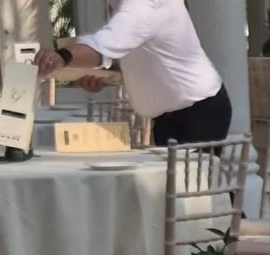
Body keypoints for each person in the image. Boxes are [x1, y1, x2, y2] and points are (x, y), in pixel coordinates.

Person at [32, 0, 231, 147]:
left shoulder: (145, 4)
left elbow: (105, 44)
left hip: (199, 110)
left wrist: (62, 56)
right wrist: (105, 74)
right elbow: (137, 52)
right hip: (170, 115)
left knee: (196, 193)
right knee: (179, 191)